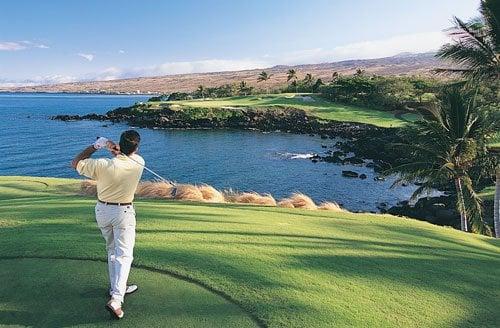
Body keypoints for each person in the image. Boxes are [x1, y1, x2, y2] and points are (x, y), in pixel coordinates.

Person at [71, 130, 144, 319]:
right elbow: (125, 156)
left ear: (120, 145)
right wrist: (116, 149)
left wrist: (98, 145)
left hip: (102, 211)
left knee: (112, 251)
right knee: (124, 255)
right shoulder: (139, 163)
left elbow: (76, 162)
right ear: (136, 147)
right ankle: (116, 299)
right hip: (123, 213)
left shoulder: (102, 165)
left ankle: (116, 288)